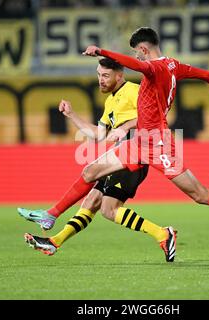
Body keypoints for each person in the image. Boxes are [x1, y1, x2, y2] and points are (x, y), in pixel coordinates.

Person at [19, 27, 209, 263]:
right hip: (141, 141)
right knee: (90, 171)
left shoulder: (153, 68)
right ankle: (50, 215)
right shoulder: (175, 66)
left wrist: (100, 51)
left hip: (158, 144)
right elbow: (206, 74)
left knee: (199, 194)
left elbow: (132, 63)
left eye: (139, 53)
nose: (139, 58)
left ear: (144, 49)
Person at [19, 57, 177, 261]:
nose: (100, 80)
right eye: (98, 75)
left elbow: (156, 115)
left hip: (135, 149)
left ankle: (51, 215)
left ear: (119, 76)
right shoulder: (111, 100)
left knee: (103, 199)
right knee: (93, 201)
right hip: (122, 153)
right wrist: (72, 115)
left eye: (105, 75)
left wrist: (124, 127)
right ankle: (54, 241)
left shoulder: (133, 90)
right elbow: (99, 134)